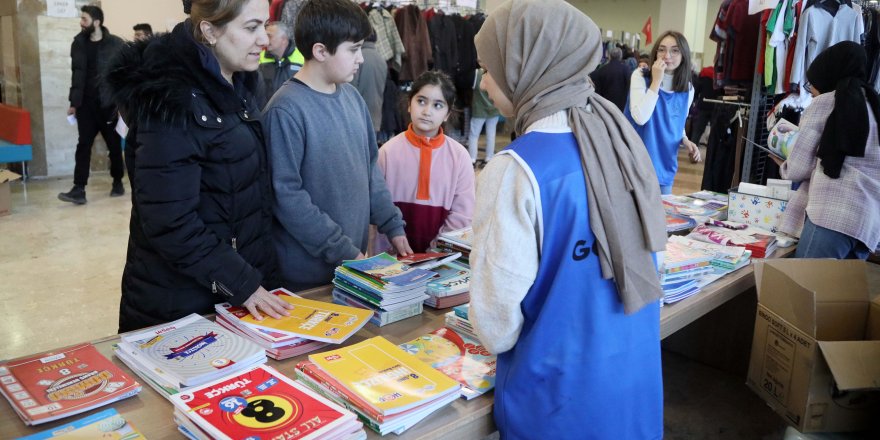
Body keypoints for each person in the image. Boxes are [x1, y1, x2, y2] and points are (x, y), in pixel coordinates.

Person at [470, 0, 667, 438]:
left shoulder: (514, 170)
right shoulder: (619, 142)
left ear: (529, 65)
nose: (484, 81)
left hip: (556, 408)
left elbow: (496, 329)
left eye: (490, 66)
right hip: (631, 393)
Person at [103, 0, 290, 332]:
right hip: (181, 304)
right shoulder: (172, 101)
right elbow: (170, 221)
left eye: (266, 25)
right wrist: (242, 282)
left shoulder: (239, 83)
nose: (264, 39)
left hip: (227, 291)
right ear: (209, 31)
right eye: (251, 28)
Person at [263, 0, 412, 291]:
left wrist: (392, 224)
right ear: (320, 51)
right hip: (305, 277)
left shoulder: (353, 98)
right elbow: (287, 197)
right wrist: (344, 251)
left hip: (351, 264)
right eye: (353, 49)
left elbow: (370, 170)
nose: (361, 59)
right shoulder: (284, 110)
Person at [777, 41, 880, 259]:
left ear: (828, 76)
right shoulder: (873, 105)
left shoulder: (826, 102)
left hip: (831, 215)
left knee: (805, 288)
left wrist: (785, 164)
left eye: (811, 85)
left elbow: (798, 168)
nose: (811, 91)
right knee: (840, 292)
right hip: (867, 222)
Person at [376, 70, 475, 253]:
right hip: (390, 259)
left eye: (438, 105)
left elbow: (462, 214)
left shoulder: (460, 157)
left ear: (447, 114)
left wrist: (435, 251)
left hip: (441, 259)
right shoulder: (386, 153)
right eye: (421, 101)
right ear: (409, 104)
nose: (427, 111)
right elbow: (378, 207)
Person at [58, 5, 125, 205]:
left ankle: (117, 181)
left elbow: (121, 75)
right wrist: (73, 103)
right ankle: (79, 188)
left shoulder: (116, 44)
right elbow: (76, 75)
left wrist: (121, 104)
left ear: (96, 22)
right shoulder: (78, 43)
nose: (81, 22)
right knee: (83, 145)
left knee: (113, 146)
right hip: (85, 105)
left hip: (108, 105)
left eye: (84, 19)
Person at [625, 30, 701, 195]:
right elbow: (640, 118)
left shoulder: (687, 89)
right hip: (635, 165)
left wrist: (686, 140)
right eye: (662, 49)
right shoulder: (640, 76)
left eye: (675, 50)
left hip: (665, 166)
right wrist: (656, 81)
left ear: (683, 55)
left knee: (661, 218)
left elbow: (677, 123)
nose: (667, 55)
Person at [257, 20, 303, 107]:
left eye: (269, 36)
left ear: (283, 39)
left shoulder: (302, 58)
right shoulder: (258, 58)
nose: (266, 40)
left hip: (293, 112)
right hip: (266, 113)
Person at [351, 31, 387, 140]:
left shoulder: (358, 58)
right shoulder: (382, 60)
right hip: (376, 114)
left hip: (358, 114)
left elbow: (351, 87)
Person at [467, 67, 501, 167]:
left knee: (474, 135)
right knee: (491, 134)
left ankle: (472, 159)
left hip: (479, 110)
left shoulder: (476, 73)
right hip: (494, 110)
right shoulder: (496, 73)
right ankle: (489, 158)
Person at [589, 46, 631, 111]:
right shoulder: (627, 70)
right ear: (621, 57)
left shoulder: (601, 70)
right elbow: (629, 87)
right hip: (622, 106)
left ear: (609, 56)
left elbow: (597, 90)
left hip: (605, 106)